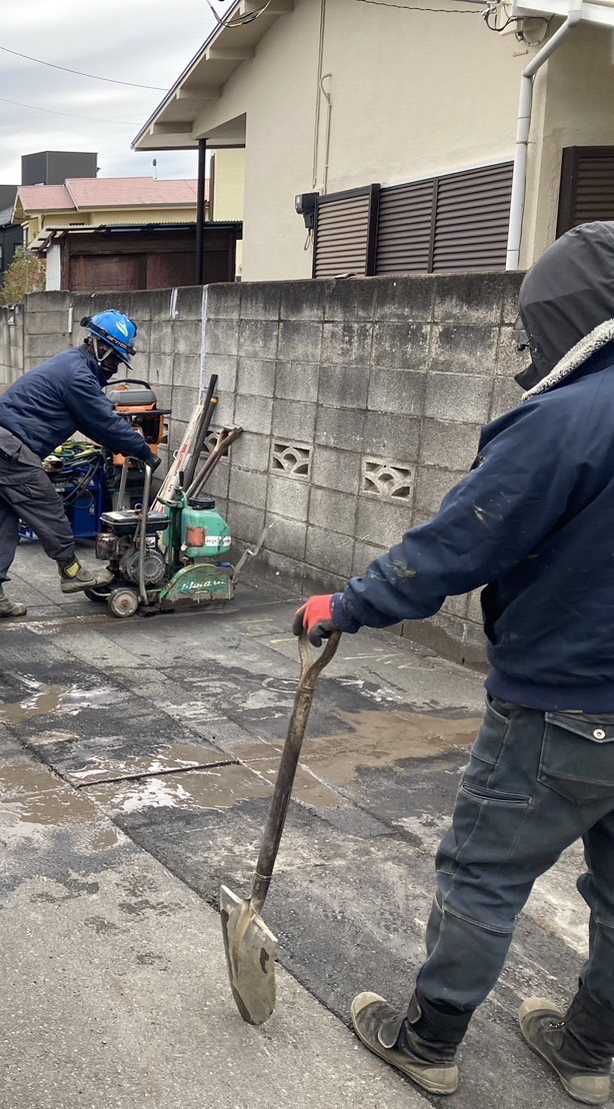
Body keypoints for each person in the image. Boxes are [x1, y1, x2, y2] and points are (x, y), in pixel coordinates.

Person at [294, 221, 614, 1105]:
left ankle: (428, 1040)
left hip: (563, 706)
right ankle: (590, 1054)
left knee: (486, 871)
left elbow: (453, 548)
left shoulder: (563, 421)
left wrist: (345, 604)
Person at [0, 310, 159, 619]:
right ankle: (71, 571)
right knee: (48, 507)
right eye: (115, 360)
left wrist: (114, 445)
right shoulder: (79, 375)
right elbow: (106, 421)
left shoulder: (70, 365)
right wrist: (145, 452)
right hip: (9, 449)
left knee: (0, 519)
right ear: (101, 349)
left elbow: (91, 423)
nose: (114, 369)